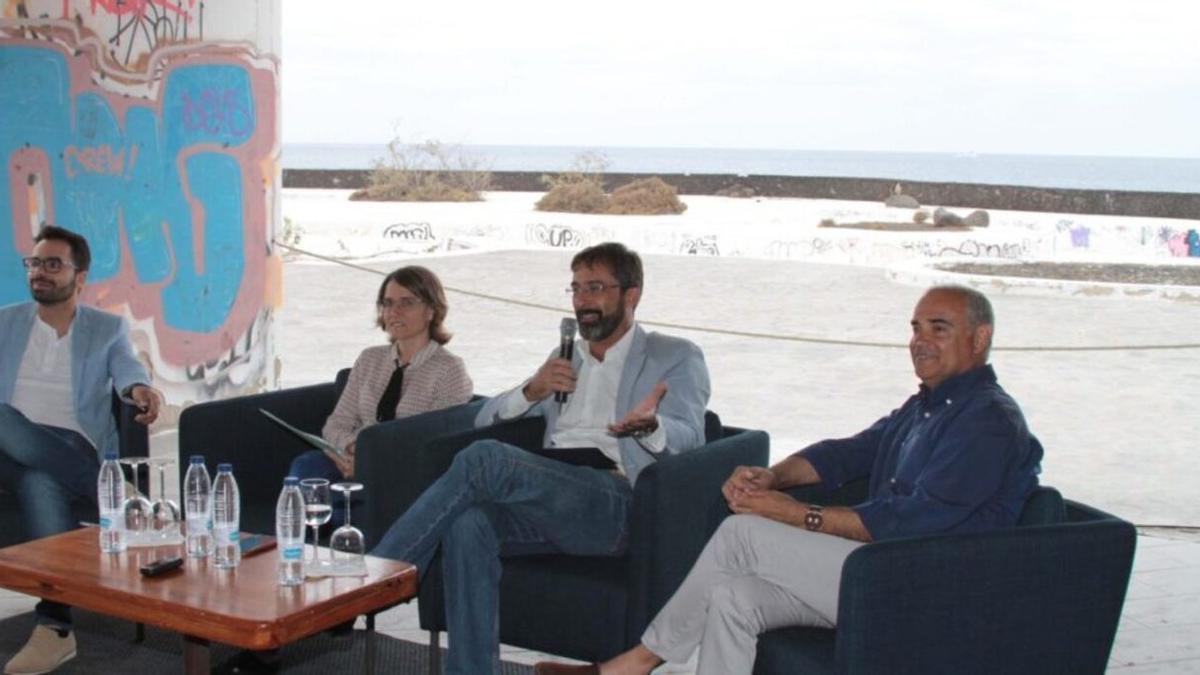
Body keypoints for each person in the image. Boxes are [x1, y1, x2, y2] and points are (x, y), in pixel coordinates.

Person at [535, 285, 1044, 675]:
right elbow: (845, 455)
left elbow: (918, 520)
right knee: (734, 596)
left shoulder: (987, 420)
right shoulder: (927, 406)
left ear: (980, 339)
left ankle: (634, 665)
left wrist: (797, 514)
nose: (920, 342)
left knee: (743, 534)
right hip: (880, 571)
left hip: (928, 587)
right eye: (916, 328)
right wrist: (772, 477)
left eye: (939, 329)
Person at [372, 242, 711, 674]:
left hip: (616, 501)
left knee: (486, 460)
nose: (582, 301)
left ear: (632, 295)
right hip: (551, 495)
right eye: (575, 289)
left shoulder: (675, 355)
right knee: (468, 523)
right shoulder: (565, 355)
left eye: (595, 288)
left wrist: (652, 427)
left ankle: (375, 578)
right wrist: (533, 390)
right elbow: (486, 416)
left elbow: (691, 436)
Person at [0, 225, 162, 675]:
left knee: (40, 481)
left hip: (70, 442)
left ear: (80, 276)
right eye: (34, 264)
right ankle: (115, 497)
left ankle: (55, 628)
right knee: (2, 419)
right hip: (4, 449)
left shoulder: (106, 328)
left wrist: (141, 387)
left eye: (53, 264)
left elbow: (127, 364)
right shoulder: (4, 321)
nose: (40, 273)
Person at [287, 266, 473, 488]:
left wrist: (372, 462)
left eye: (407, 302)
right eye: (388, 303)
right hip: (354, 459)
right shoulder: (370, 359)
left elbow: (435, 443)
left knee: (351, 493)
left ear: (431, 311)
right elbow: (336, 424)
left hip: (403, 469)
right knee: (307, 469)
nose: (395, 312)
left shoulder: (449, 369)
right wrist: (352, 449)